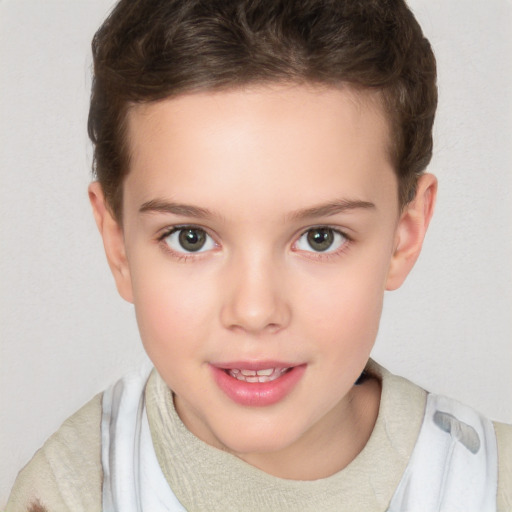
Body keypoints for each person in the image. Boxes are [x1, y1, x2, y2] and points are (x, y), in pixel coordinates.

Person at [6, 0, 511, 510]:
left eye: (319, 237)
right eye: (190, 238)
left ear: (405, 233)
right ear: (118, 245)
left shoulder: (491, 485)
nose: (254, 311)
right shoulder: (67, 493)